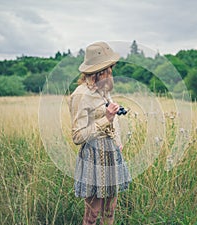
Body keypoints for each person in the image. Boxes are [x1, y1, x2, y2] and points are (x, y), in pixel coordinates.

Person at [69, 42, 131, 225]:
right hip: (94, 156)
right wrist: (106, 119)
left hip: (112, 152)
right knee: (92, 215)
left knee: (110, 211)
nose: (111, 72)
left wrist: (118, 142)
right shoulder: (81, 95)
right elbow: (77, 136)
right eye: (108, 68)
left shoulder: (104, 90)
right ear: (98, 71)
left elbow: (113, 120)